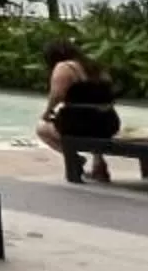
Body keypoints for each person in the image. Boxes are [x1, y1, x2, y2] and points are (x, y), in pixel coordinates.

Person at [39, 40, 122, 179]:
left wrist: (47, 113)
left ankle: (74, 159)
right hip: (108, 123)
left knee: (41, 129)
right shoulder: (95, 67)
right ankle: (98, 164)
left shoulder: (64, 67)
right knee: (94, 123)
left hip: (79, 125)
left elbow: (57, 95)